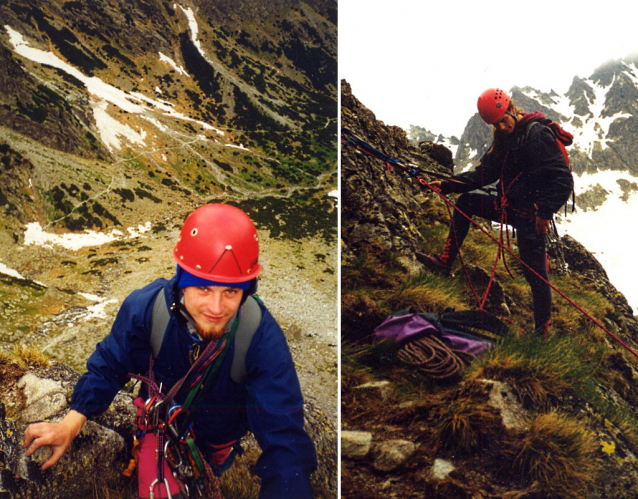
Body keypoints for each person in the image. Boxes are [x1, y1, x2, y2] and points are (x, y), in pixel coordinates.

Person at [22, 203, 317, 498]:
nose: (216, 308)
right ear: (182, 282)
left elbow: (285, 442)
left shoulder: (260, 336)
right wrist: (70, 424)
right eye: (203, 288)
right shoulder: (147, 309)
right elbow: (111, 364)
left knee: (202, 479)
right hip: (160, 424)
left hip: (217, 443)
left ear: (246, 290)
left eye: (231, 291)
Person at [420, 88, 574, 334]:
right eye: (495, 124)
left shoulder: (537, 136)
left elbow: (563, 179)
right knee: (465, 202)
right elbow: (485, 174)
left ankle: (541, 332)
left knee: (534, 273)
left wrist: (544, 213)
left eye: (503, 120)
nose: (501, 127)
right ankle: (444, 262)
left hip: (532, 216)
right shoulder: (504, 140)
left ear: (512, 109)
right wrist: (448, 185)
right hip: (509, 207)